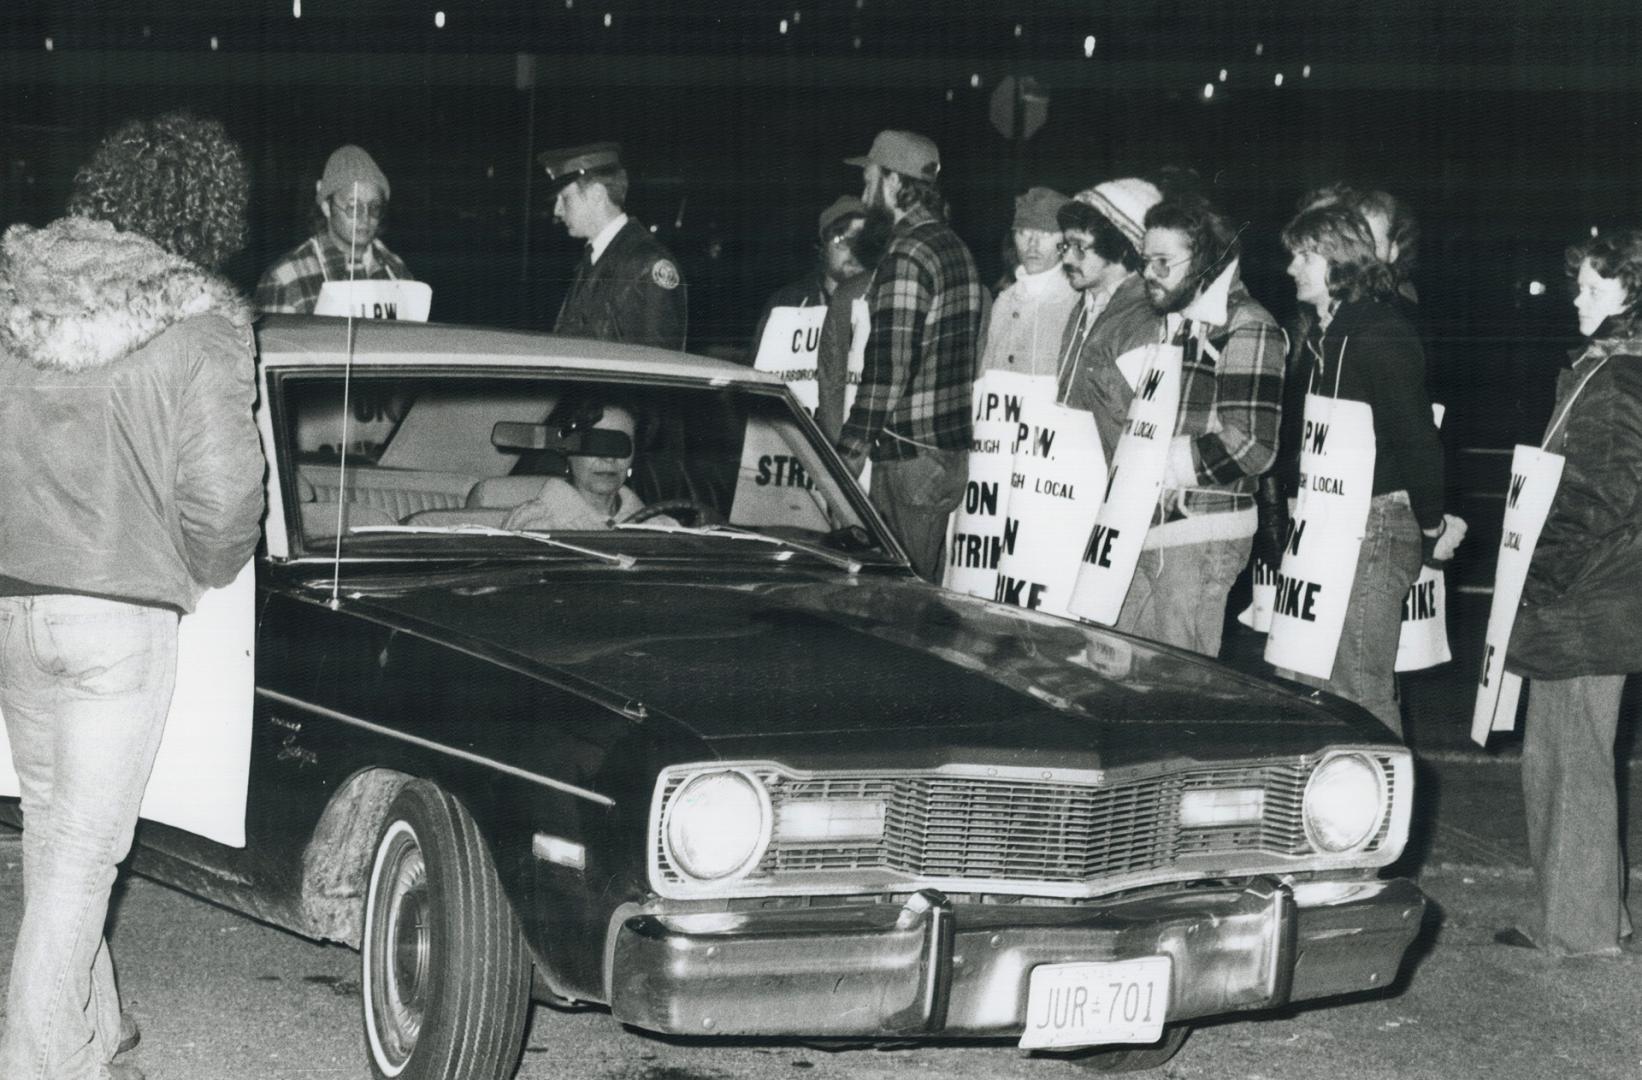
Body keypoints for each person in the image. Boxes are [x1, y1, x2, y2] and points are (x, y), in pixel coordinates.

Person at [0, 112, 265, 1080]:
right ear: (205, 213)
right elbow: (229, 500)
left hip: (11, 600)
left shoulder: (11, 291)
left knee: (51, 819)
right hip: (117, 612)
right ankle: (37, 1061)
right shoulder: (199, 326)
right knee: (87, 845)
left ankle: (92, 1031)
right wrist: (197, 565)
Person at [1497, 228, 1642, 957]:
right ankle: (1591, 915)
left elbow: (1602, 496)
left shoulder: (1617, 379)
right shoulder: (1608, 369)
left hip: (1586, 596)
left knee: (1568, 757)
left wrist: (1537, 575)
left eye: (1593, 286)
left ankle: (1580, 930)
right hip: (1596, 592)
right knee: (1567, 752)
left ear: (1632, 294)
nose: (1576, 297)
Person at [1273, 204, 1460, 731]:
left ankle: (1380, 807)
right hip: (1334, 525)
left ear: (1338, 259)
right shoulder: (1327, 334)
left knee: (1357, 690)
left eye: (1303, 256)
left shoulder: (1377, 329)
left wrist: (1431, 525)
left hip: (1375, 526)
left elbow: (1416, 436)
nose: (1292, 269)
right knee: (1310, 679)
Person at [1113, 192, 1286, 657]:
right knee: (1128, 674)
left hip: (1202, 534)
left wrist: (1158, 465)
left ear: (1207, 260)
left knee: (1176, 686)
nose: (1148, 272)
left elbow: (1252, 444)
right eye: (1144, 259)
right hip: (1154, 525)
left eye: (1163, 262)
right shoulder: (1176, 321)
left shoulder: (1248, 325)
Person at [837, 130, 986, 581]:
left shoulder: (907, 254)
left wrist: (848, 453)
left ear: (894, 183)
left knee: (897, 598)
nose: (864, 195)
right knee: (921, 586)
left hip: (908, 461)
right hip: (943, 457)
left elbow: (889, 368)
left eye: (869, 180)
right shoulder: (954, 247)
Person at [1053, 178, 1166, 460]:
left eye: (1080, 247)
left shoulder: (1144, 319)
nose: (1067, 259)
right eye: (1065, 246)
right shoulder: (1084, 307)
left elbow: (1139, 430)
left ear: (1121, 246)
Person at [541, 142, 687, 351]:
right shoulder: (595, 257)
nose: (557, 210)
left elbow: (659, 368)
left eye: (565, 198)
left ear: (597, 195)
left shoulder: (647, 264)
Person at [255, 144, 415, 314]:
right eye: (353, 207)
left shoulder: (396, 271)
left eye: (374, 207)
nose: (365, 217)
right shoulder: (285, 279)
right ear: (326, 206)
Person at [502, 401, 674, 530]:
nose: (608, 458)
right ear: (567, 451)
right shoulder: (533, 525)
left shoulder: (660, 526)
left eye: (620, 445)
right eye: (594, 443)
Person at [978, 186, 1078, 376]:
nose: (1033, 244)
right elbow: (985, 375)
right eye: (1024, 232)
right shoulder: (1004, 301)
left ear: (1065, 241)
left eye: (1046, 234)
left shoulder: (1075, 303)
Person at [751, 196, 866, 356]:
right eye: (842, 239)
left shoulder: (882, 303)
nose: (854, 250)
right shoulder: (786, 304)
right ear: (823, 247)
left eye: (862, 241)